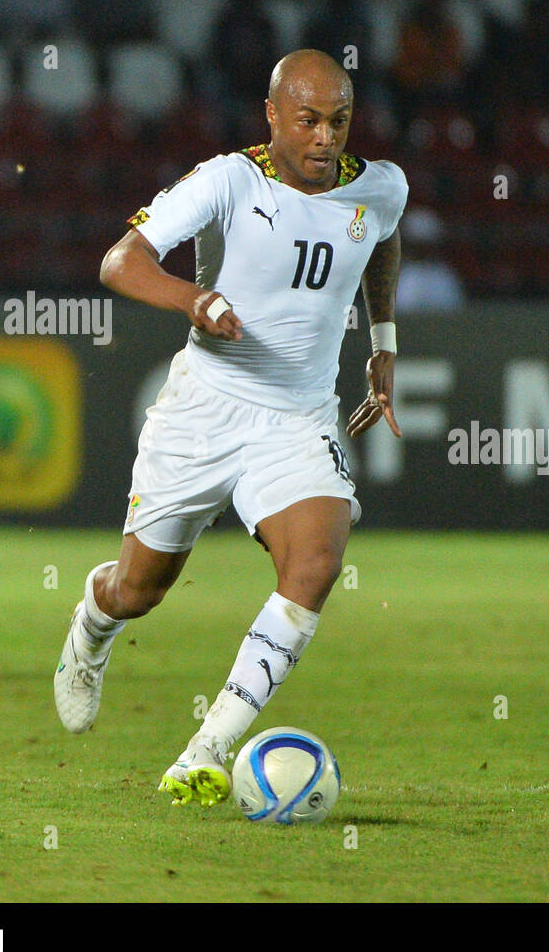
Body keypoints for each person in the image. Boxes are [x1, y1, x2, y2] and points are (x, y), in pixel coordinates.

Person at [54, 49, 408, 808]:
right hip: (205, 409)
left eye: (338, 121)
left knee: (314, 563)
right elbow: (122, 261)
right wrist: (193, 300)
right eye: (308, 120)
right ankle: (92, 621)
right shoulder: (228, 179)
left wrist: (384, 345)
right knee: (139, 589)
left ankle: (204, 750)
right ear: (273, 115)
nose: (324, 138)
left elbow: (382, 240)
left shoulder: (380, 187)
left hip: (297, 417)